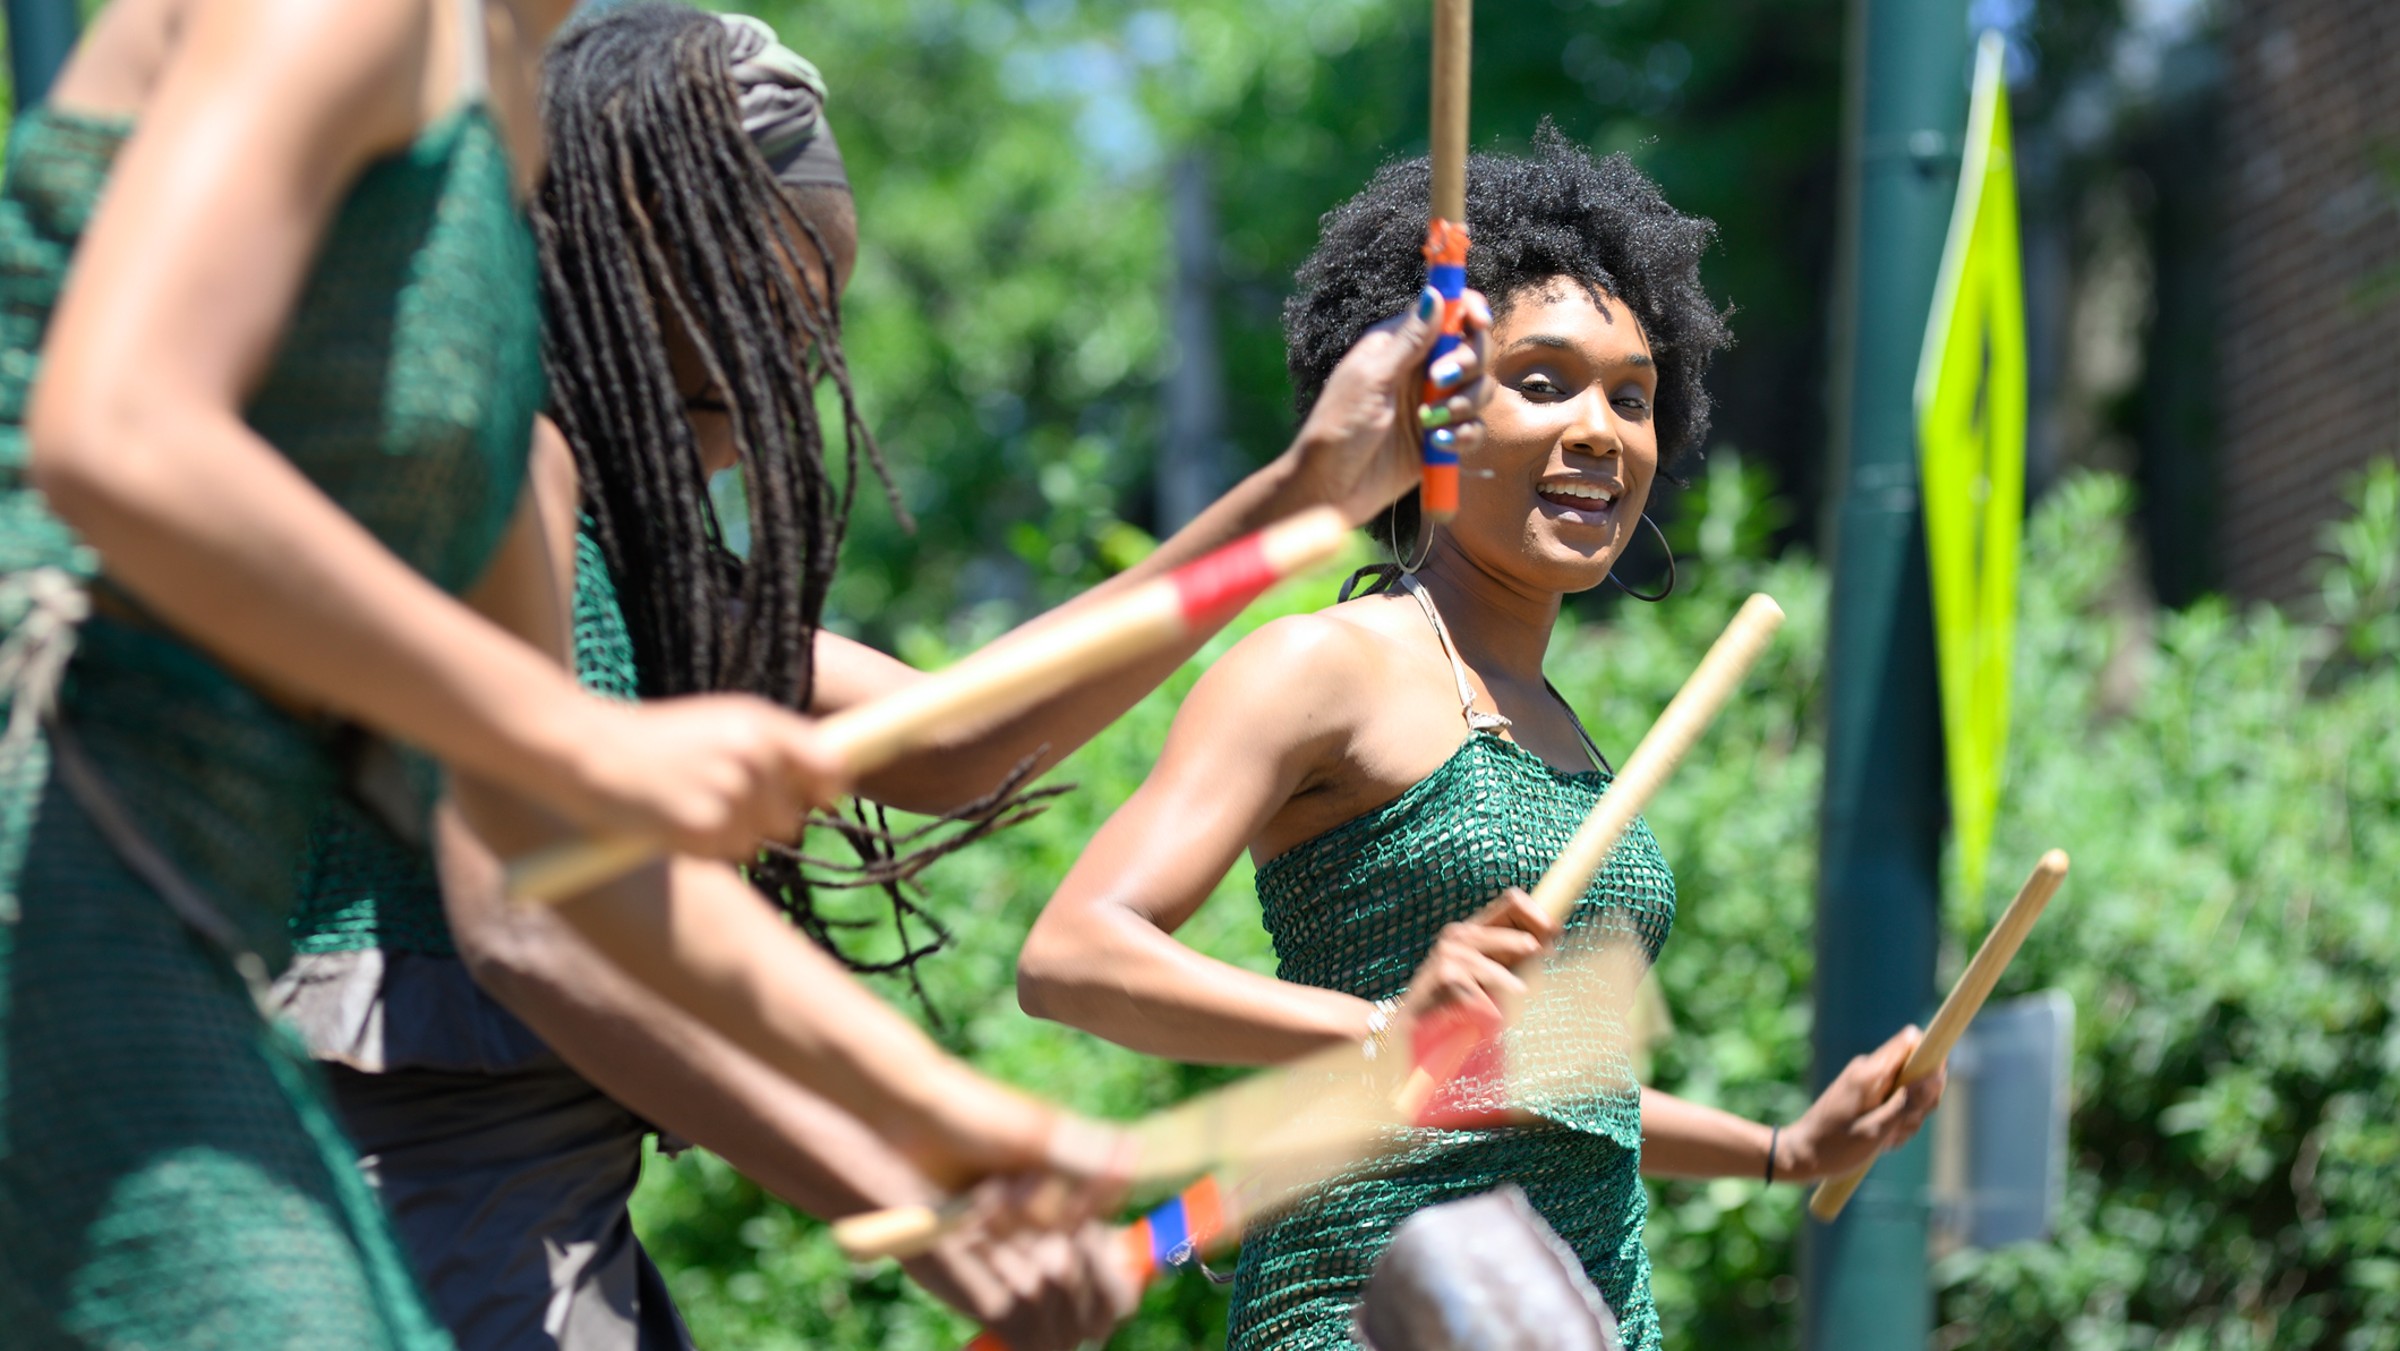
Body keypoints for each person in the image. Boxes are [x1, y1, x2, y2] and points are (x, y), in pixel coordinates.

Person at [275, 5, 1503, 1349]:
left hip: (530, 1228)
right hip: (397, 1233)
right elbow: (543, 926)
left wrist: (1302, 500)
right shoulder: (500, 468)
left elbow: (958, 740)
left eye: (815, 337)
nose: (787, 387)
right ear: (614, 252)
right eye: (747, 340)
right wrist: (933, 1203)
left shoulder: (643, 580)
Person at [0, 0, 1185, 1340]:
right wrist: (581, 742)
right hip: (63, 863)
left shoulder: (498, 148)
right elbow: (118, 432)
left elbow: (553, 859)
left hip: (191, 908)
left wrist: (952, 1121)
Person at [1015, 127, 1949, 1351]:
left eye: (1633, 394)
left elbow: (1547, 1083)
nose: (1603, 432)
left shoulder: (1562, 732)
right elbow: (1074, 953)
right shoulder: (1322, 667)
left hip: (1579, 1313)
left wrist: (1782, 1150)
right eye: (1545, 382)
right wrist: (1378, 1027)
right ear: (1433, 411)